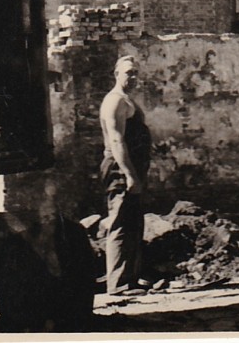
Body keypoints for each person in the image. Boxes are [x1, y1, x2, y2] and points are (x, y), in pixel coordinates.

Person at [99, 55, 151, 296]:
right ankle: (118, 285)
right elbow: (117, 139)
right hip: (121, 169)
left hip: (132, 168)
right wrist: (129, 175)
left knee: (133, 222)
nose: (133, 77)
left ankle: (131, 277)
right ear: (116, 74)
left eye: (136, 73)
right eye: (128, 72)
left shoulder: (126, 100)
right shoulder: (114, 102)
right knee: (120, 222)